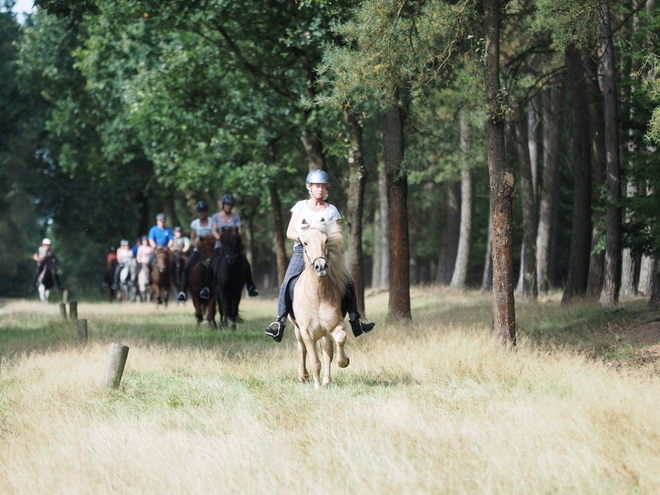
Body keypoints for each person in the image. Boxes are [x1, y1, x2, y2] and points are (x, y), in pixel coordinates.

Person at [265, 170, 375, 342]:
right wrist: (305, 239)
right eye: (317, 186)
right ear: (309, 187)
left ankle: (355, 319)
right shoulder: (300, 207)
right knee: (287, 283)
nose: (320, 190)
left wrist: (323, 241)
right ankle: (279, 322)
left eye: (323, 187)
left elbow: (338, 234)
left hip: (325, 253)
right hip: (303, 251)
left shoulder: (331, 210)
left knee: (348, 281)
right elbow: (289, 232)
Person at [207, 193, 259, 299]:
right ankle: (206, 287)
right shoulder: (216, 217)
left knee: (245, 263)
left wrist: (237, 235)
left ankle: (250, 286)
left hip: (233, 247)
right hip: (220, 245)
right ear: (223, 205)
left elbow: (239, 230)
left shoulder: (236, 217)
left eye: (230, 205)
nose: (228, 207)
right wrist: (220, 239)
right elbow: (214, 230)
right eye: (227, 205)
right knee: (211, 263)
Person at [177, 200, 214, 303]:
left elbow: (215, 235)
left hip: (211, 250)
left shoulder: (212, 222)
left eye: (203, 211)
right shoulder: (194, 223)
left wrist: (208, 240)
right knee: (187, 267)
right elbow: (192, 239)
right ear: (198, 213)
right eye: (200, 211)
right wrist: (197, 244)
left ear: (206, 212)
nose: (202, 213)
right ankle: (183, 292)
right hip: (199, 250)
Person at [147, 212, 174, 277]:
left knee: (174, 262)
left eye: (163, 222)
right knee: (149, 263)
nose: (162, 223)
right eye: (161, 222)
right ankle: (149, 278)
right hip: (157, 249)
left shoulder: (168, 230)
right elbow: (151, 240)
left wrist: (168, 246)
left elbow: (171, 239)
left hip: (165, 249)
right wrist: (155, 247)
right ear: (157, 221)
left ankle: (174, 279)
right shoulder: (153, 230)